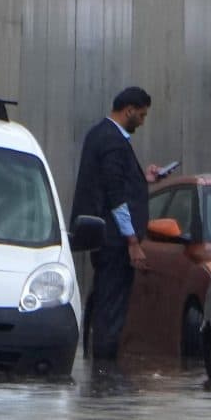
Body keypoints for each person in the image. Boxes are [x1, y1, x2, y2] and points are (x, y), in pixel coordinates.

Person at [70, 86, 156, 366]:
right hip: (115, 243)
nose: (142, 121)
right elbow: (116, 196)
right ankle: (105, 373)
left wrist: (143, 178)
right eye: (141, 115)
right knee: (112, 307)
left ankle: (97, 368)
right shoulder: (113, 141)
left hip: (103, 239)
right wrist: (132, 241)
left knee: (104, 301)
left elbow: (113, 181)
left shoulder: (99, 135)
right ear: (129, 110)